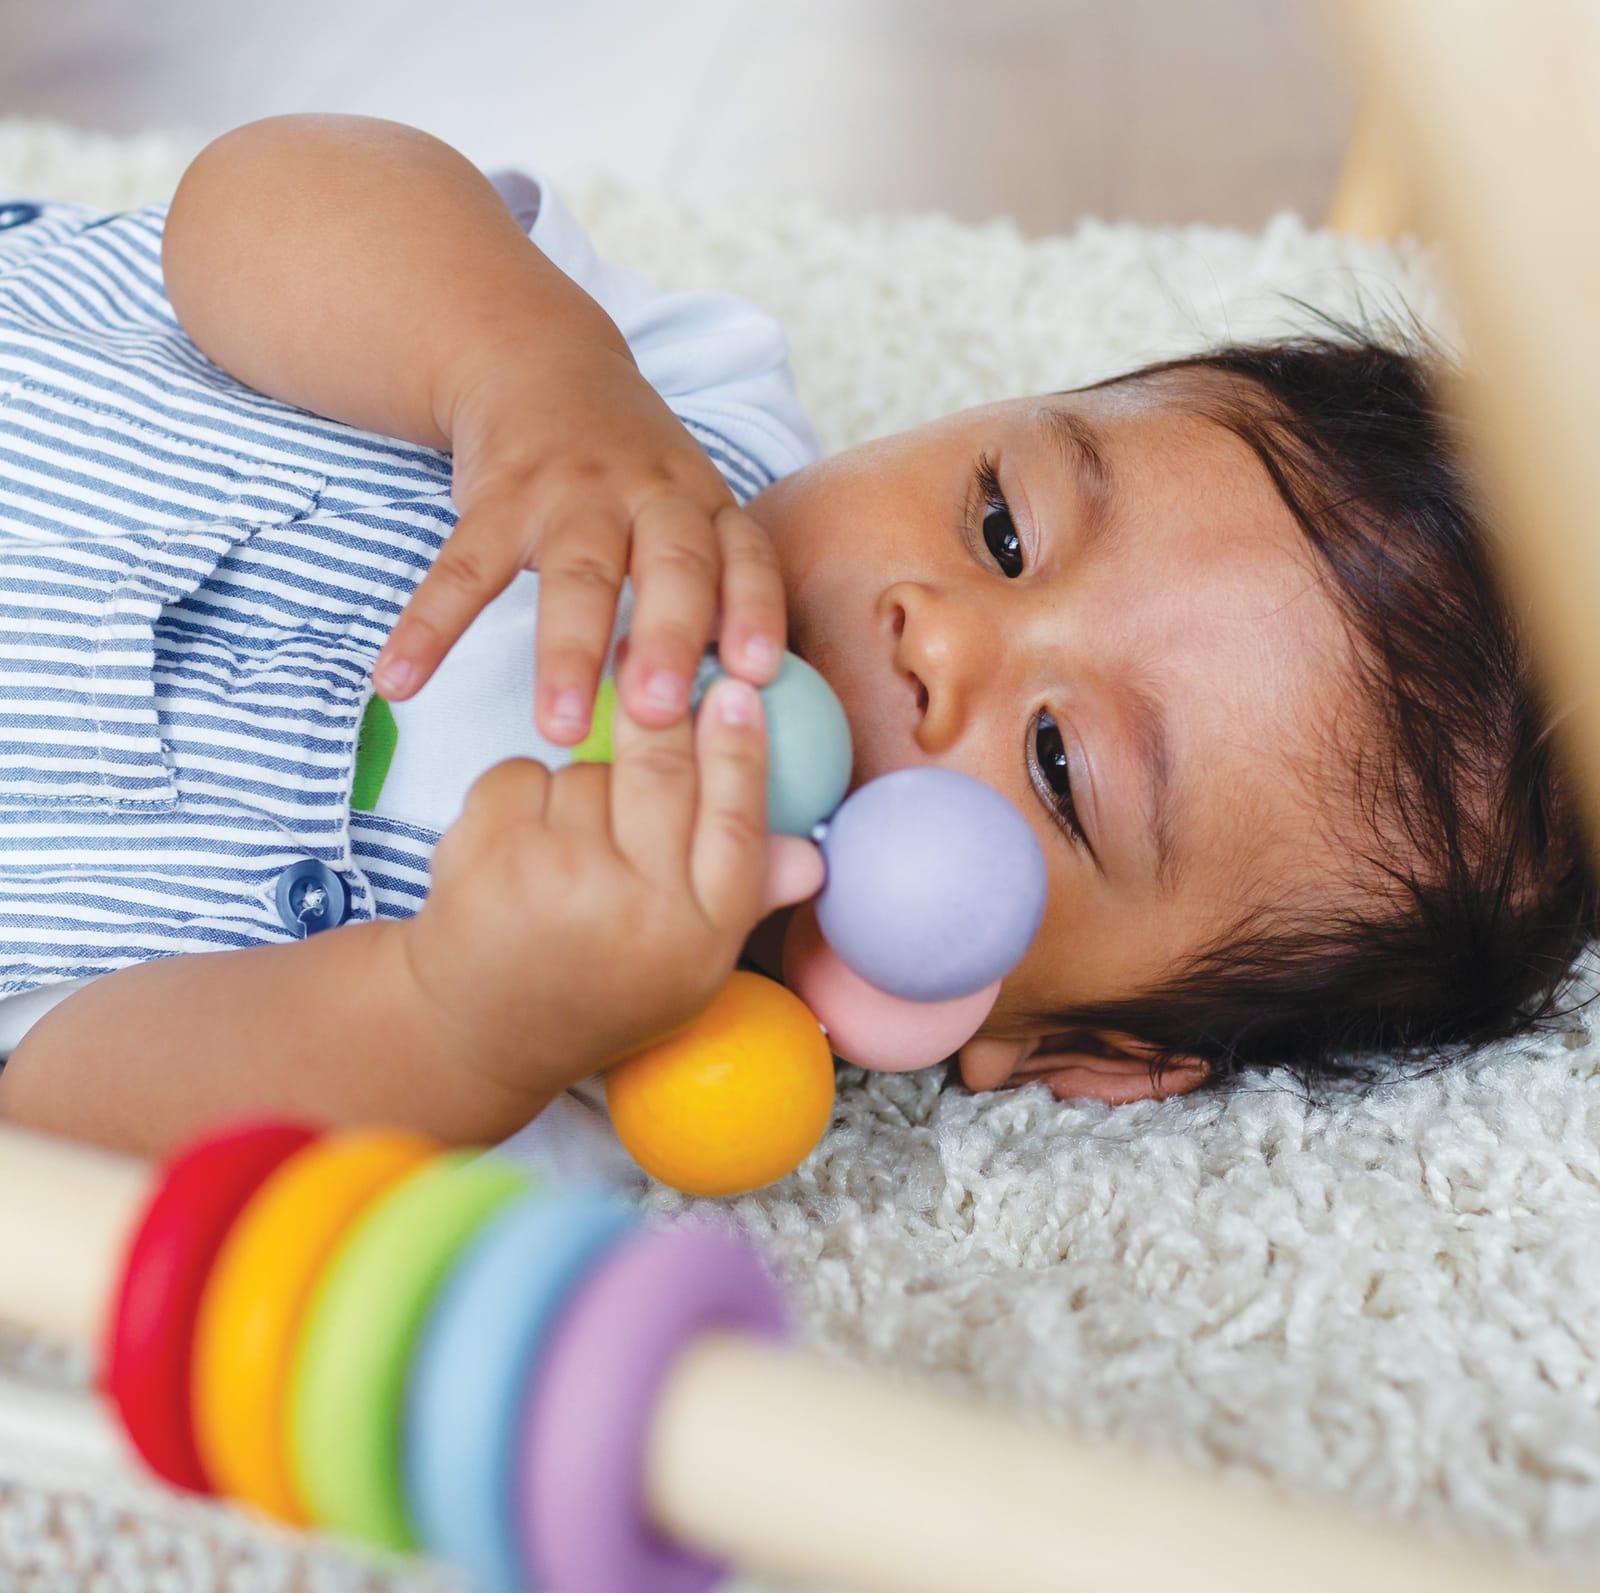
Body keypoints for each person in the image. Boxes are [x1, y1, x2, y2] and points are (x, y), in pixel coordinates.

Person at [0, 115, 1591, 1166]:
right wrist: (520, 373)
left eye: (1057, 761)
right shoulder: (680, 406)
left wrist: (451, 1017)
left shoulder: (594, 1082)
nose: (937, 638)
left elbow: (58, 1125)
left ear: (1081, 1047)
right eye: (1004, 525)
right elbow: (259, 196)